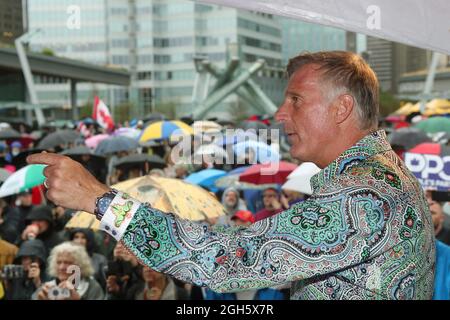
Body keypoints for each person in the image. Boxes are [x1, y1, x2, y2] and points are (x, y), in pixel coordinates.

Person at [28, 51, 435, 299]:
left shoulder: (364, 196)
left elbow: (224, 260)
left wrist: (100, 200)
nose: (280, 114)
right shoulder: (386, 177)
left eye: (296, 99)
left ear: (342, 108)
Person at [32, 241, 104, 300]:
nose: (62, 267)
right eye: (59, 262)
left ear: (80, 265)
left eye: (68, 263)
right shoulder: (48, 287)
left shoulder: (92, 287)